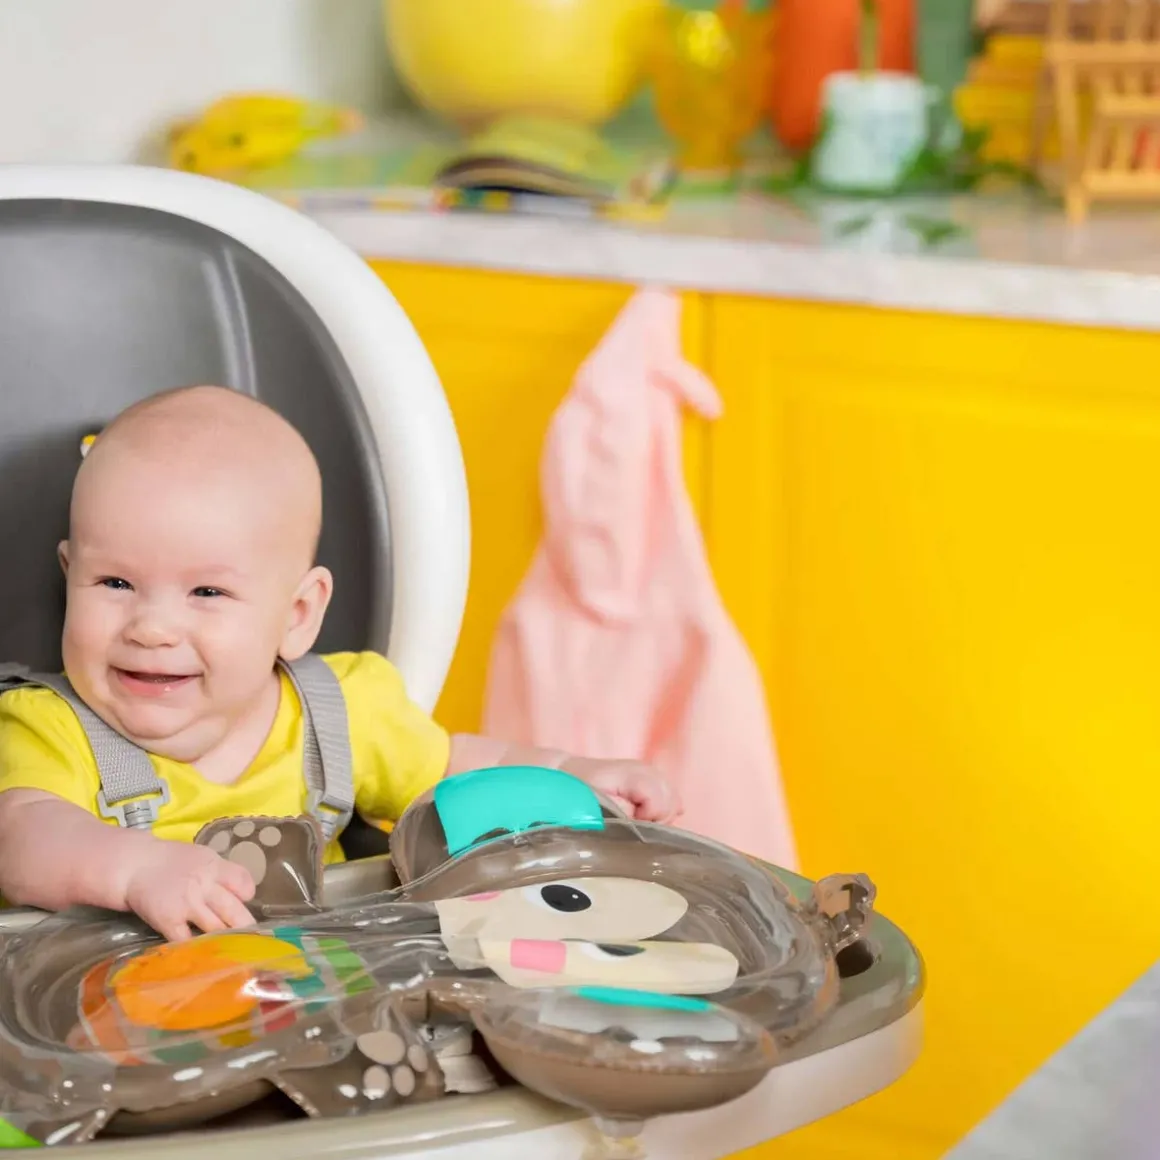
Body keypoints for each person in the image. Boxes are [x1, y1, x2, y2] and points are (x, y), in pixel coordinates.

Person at [0, 386, 678, 942]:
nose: (151, 628)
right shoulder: (48, 727)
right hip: (111, 1012)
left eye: (206, 593)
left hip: (320, 995)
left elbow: (453, 770)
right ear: (70, 575)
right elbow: (22, 838)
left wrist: (572, 775)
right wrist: (131, 872)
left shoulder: (344, 711)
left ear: (297, 614)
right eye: (114, 584)